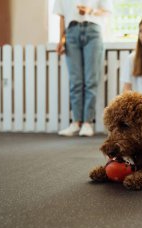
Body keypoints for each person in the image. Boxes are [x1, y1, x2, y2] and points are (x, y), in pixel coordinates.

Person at [53, 0, 113, 137]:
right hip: (71, 32)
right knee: (75, 81)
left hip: (93, 31)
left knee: (91, 80)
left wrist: (90, 11)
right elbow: (62, 16)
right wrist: (61, 40)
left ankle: (87, 122)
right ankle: (76, 122)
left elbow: (107, 11)